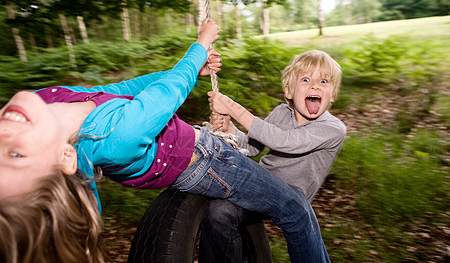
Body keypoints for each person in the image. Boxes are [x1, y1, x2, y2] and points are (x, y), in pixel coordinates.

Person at [0, 20, 329, 263]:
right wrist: (200, 46)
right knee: (295, 209)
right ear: (65, 157)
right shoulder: (116, 139)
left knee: (220, 215)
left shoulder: (50, 99)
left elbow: (127, 88)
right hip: (207, 161)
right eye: (16, 154)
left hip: (203, 152)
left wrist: (194, 69)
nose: (4, 133)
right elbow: (164, 96)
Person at [199, 50, 346, 262]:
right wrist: (230, 129)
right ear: (289, 91)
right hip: (260, 187)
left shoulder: (333, 128)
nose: (315, 86)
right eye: (305, 79)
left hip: (292, 195)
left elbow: (284, 141)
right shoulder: (280, 113)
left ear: (332, 95)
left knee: (300, 217)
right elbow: (252, 147)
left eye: (323, 81)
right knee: (219, 212)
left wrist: (232, 108)